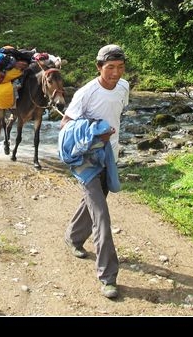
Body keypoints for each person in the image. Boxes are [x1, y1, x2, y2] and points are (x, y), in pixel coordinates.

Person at [59, 44, 129, 300]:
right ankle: (108, 277)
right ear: (99, 67)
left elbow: (119, 114)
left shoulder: (124, 88)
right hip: (87, 161)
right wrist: (91, 132)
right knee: (102, 216)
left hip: (109, 157)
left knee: (93, 202)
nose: (115, 73)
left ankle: (73, 237)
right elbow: (65, 126)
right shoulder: (86, 93)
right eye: (110, 68)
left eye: (120, 68)